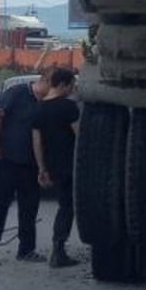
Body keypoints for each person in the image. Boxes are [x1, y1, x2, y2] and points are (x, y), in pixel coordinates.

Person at [0, 68, 55, 265]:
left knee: (29, 209)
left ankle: (26, 250)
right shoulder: (17, 93)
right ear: (46, 81)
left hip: (31, 166)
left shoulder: (46, 104)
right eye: (53, 86)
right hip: (6, 162)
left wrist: (44, 167)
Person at [30, 68, 82, 267]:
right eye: (71, 85)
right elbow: (80, 137)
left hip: (52, 165)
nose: (72, 89)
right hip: (70, 164)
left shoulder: (39, 108)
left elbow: (37, 142)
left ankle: (58, 248)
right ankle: (58, 251)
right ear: (62, 85)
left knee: (63, 205)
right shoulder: (69, 107)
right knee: (68, 207)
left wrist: (42, 168)